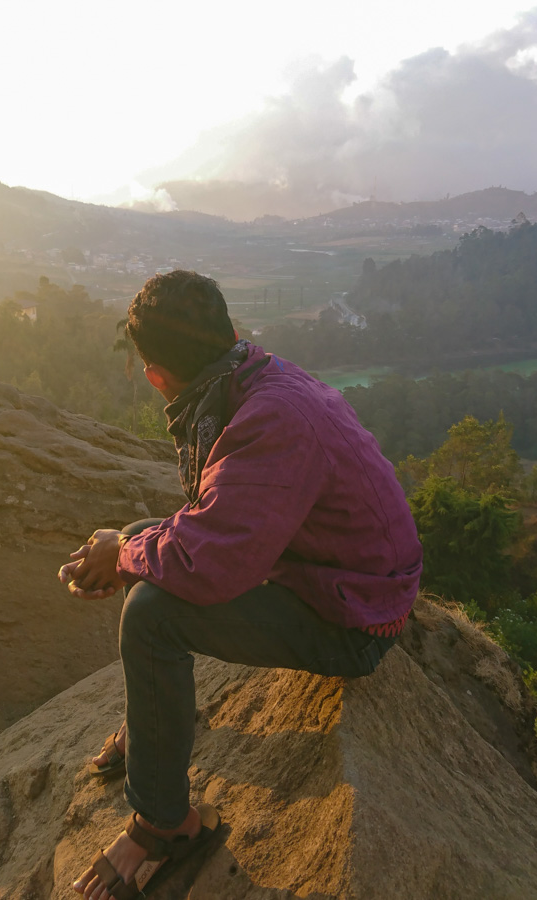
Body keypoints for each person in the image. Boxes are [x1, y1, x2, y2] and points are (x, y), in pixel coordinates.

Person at [59, 271, 422, 900]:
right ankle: (154, 725)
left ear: (155, 376)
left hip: (355, 617)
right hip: (325, 572)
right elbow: (208, 528)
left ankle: (165, 824)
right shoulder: (255, 375)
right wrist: (124, 548)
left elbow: (208, 564)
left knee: (151, 610)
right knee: (145, 537)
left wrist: (122, 556)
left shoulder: (270, 418)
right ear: (230, 330)